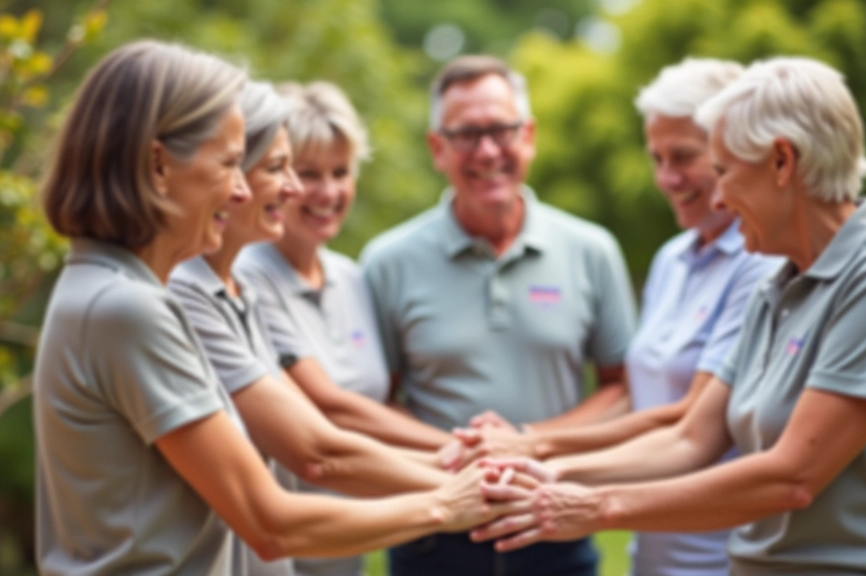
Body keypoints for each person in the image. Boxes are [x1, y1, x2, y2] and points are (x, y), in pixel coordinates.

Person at [34, 40, 531, 576]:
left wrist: (456, 473)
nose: (241, 192)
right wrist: (447, 503)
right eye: (230, 164)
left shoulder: (121, 292)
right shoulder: (126, 307)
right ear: (158, 165)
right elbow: (271, 521)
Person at [474, 56, 866, 576]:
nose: (720, 197)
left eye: (724, 171)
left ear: (781, 162)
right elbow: (691, 438)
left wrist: (595, 506)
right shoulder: (777, 287)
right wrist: (554, 472)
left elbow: (791, 477)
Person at [360, 55, 637, 576]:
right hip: (430, 536)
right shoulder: (386, 262)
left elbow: (620, 388)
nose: (487, 151)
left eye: (501, 130)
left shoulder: (591, 249)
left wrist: (529, 441)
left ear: (528, 135)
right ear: (436, 147)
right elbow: (378, 401)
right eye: (466, 134)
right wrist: (463, 456)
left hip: (555, 524)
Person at [169, 82, 459, 576]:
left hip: (346, 545)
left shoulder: (344, 276)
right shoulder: (232, 278)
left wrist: (465, 459)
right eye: (295, 171)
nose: (317, 191)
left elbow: (374, 402)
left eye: (340, 173)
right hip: (287, 545)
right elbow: (321, 426)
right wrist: (455, 471)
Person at [233, 81, 457, 462]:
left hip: (382, 507)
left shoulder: (351, 277)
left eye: (340, 172)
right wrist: (458, 449)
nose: (329, 192)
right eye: (308, 174)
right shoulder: (248, 277)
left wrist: (469, 449)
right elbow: (329, 406)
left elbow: (382, 403)